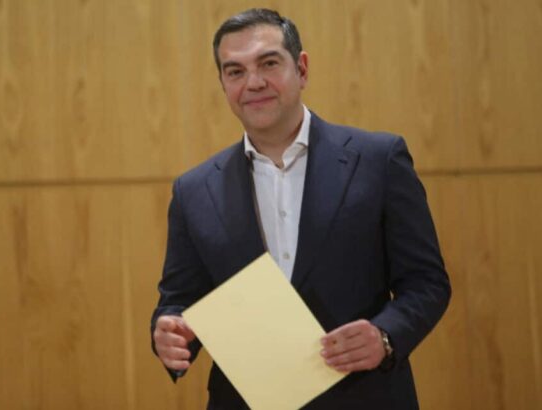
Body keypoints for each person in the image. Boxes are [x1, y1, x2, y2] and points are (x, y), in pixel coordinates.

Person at [151, 8, 450, 409]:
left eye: (269, 63)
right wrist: (168, 332)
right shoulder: (193, 190)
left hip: (364, 396)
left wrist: (385, 336)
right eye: (235, 71)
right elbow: (178, 301)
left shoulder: (379, 160)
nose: (253, 82)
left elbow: (427, 283)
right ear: (223, 84)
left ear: (302, 69)